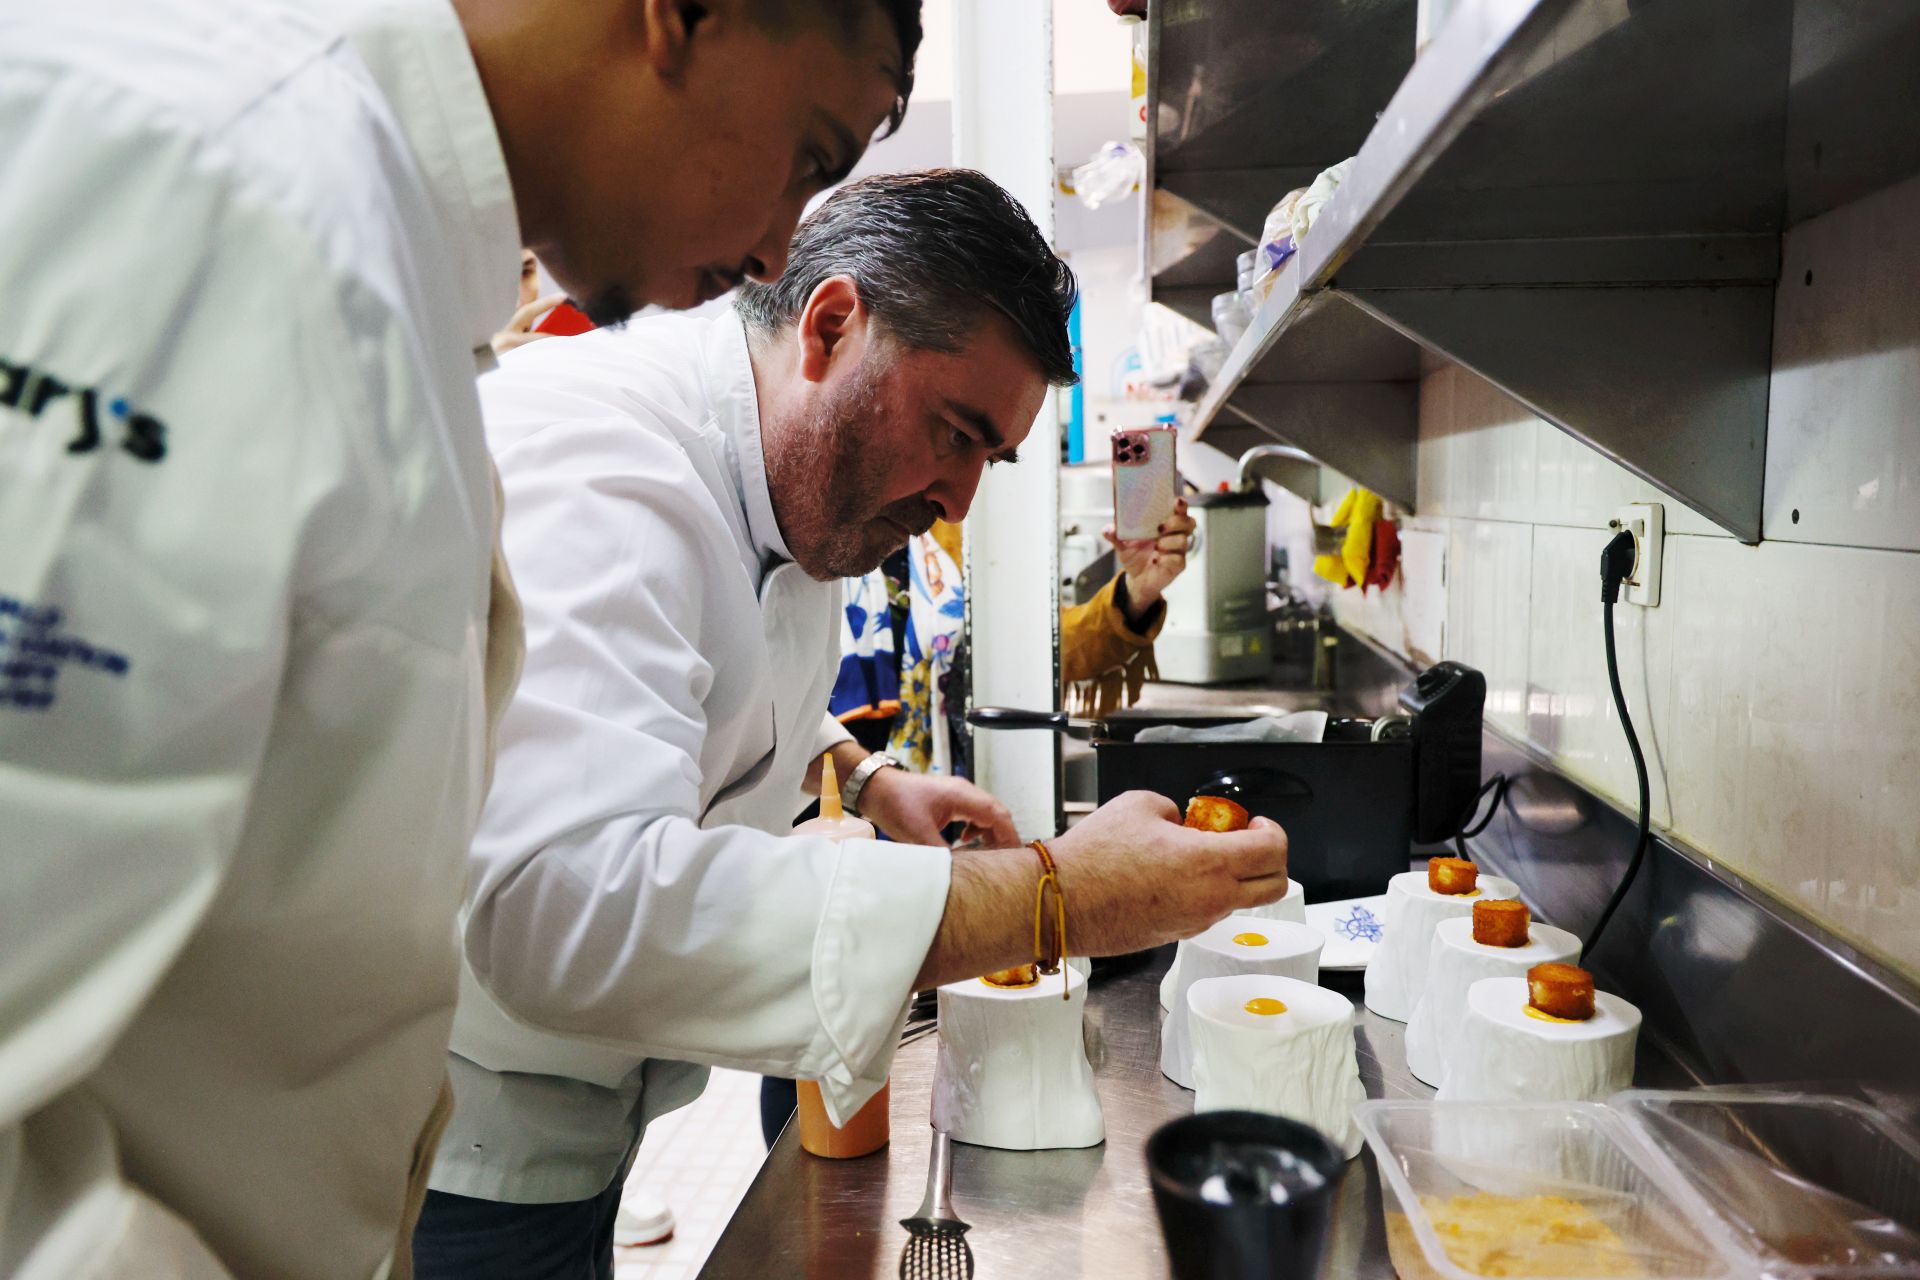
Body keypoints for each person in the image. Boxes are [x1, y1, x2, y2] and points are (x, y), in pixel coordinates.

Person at [0, 1, 923, 1276]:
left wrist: (864, 769)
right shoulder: (213, 186)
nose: (779, 239)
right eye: (810, 151)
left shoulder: (386, 256)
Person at [413, 170, 1290, 1279]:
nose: (961, 499)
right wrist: (1064, 894)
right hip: (450, 1136)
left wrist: (863, 771)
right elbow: (569, 910)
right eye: (957, 431)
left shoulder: (794, 478)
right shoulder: (609, 469)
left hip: (571, 1113)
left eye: (991, 457)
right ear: (831, 324)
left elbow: (696, 678)